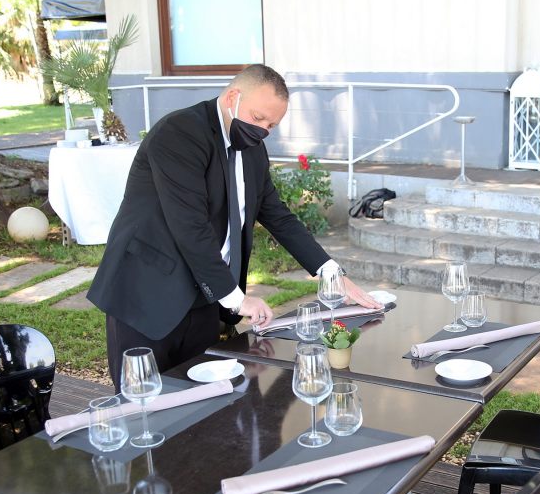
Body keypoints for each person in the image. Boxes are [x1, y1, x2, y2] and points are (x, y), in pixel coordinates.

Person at [87, 64, 379, 387]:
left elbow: (277, 215)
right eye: (258, 118)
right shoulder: (179, 133)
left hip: (206, 297)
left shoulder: (254, 149)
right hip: (146, 293)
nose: (263, 131)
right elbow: (190, 226)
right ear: (232, 98)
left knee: (207, 401)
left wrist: (330, 272)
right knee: (142, 402)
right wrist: (239, 299)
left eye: (271, 125)